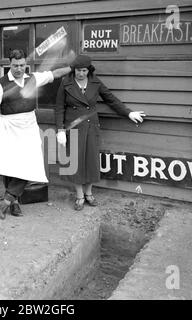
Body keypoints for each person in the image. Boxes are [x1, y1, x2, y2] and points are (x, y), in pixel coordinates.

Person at [0, 49, 71, 219]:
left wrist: (74, 67)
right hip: (9, 126)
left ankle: (7, 200)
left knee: (31, 164)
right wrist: (1, 124)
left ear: (25, 64)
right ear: (9, 64)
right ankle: (14, 203)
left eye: (22, 65)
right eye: (15, 65)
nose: (19, 68)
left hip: (29, 125)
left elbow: (54, 74)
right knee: (11, 166)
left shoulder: (32, 78)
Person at [55, 54, 145, 210]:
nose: (81, 73)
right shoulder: (65, 83)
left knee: (91, 161)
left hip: (91, 126)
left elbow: (111, 99)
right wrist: (60, 130)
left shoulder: (95, 83)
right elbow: (59, 108)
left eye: (84, 70)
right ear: (74, 70)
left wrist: (128, 113)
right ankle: (79, 195)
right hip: (73, 127)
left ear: (89, 70)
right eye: (78, 70)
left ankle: (89, 193)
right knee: (75, 162)